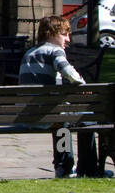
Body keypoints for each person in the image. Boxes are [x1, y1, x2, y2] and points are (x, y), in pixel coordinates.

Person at [18, 15, 92, 178]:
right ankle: (89, 167)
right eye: (64, 34)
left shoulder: (29, 53)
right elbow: (68, 72)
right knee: (87, 119)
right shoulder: (54, 50)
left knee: (61, 119)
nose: (68, 39)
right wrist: (83, 85)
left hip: (28, 115)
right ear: (50, 33)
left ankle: (63, 168)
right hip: (49, 115)